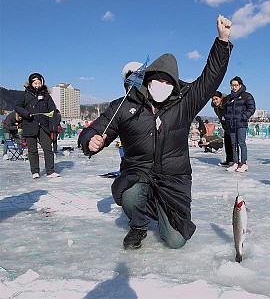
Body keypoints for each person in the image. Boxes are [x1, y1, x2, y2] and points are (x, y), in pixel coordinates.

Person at [78, 15, 233, 250]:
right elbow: (97, 128)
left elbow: (210, 78)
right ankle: (138, 225)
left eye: (168, 81)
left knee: (175, 242)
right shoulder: (124, 105)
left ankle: (161, 211)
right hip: (137, 173)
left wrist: (222, 41)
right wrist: (91, 141)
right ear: (147, 80)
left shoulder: (184, 103)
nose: (162, 84)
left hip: (174, 179)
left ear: (175, 85)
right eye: (157, 79)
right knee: (130, 194)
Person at [14, 73, 59, 179]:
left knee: (48, 148)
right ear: (31, 83)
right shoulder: (25, 95)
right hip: (29, 124)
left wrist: (53, 125)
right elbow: (17, 106)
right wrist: (26, 114)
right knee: (32, 150)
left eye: (39, 83)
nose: (37, 85)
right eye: (35, 83)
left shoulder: (46, 96)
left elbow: (52, 110)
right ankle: (35, 171)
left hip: (43, 125)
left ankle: (50, 171)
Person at [224, 76, 256, 173]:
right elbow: (226, 110)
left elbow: (251, 108)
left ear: (240, 85)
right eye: (232, 85)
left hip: (241, 123)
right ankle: (235, 162)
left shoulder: (246, 96)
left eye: (236, 85)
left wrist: (244, 116)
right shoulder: (229, 98)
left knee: (241, 143)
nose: (234, 87)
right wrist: (227, 118)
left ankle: (243, 163)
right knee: (233, 144)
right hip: (232, 124)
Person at [211, 91, 233, 166]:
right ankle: (229, 160)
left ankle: (236, 161)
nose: (215, 101)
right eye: (213, 100)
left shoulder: (226, 104)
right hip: (225, 126)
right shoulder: (216, 108)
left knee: (233, 143)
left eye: (216, 99)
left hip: (232, 125)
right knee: (227, 143)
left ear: (221, 98)